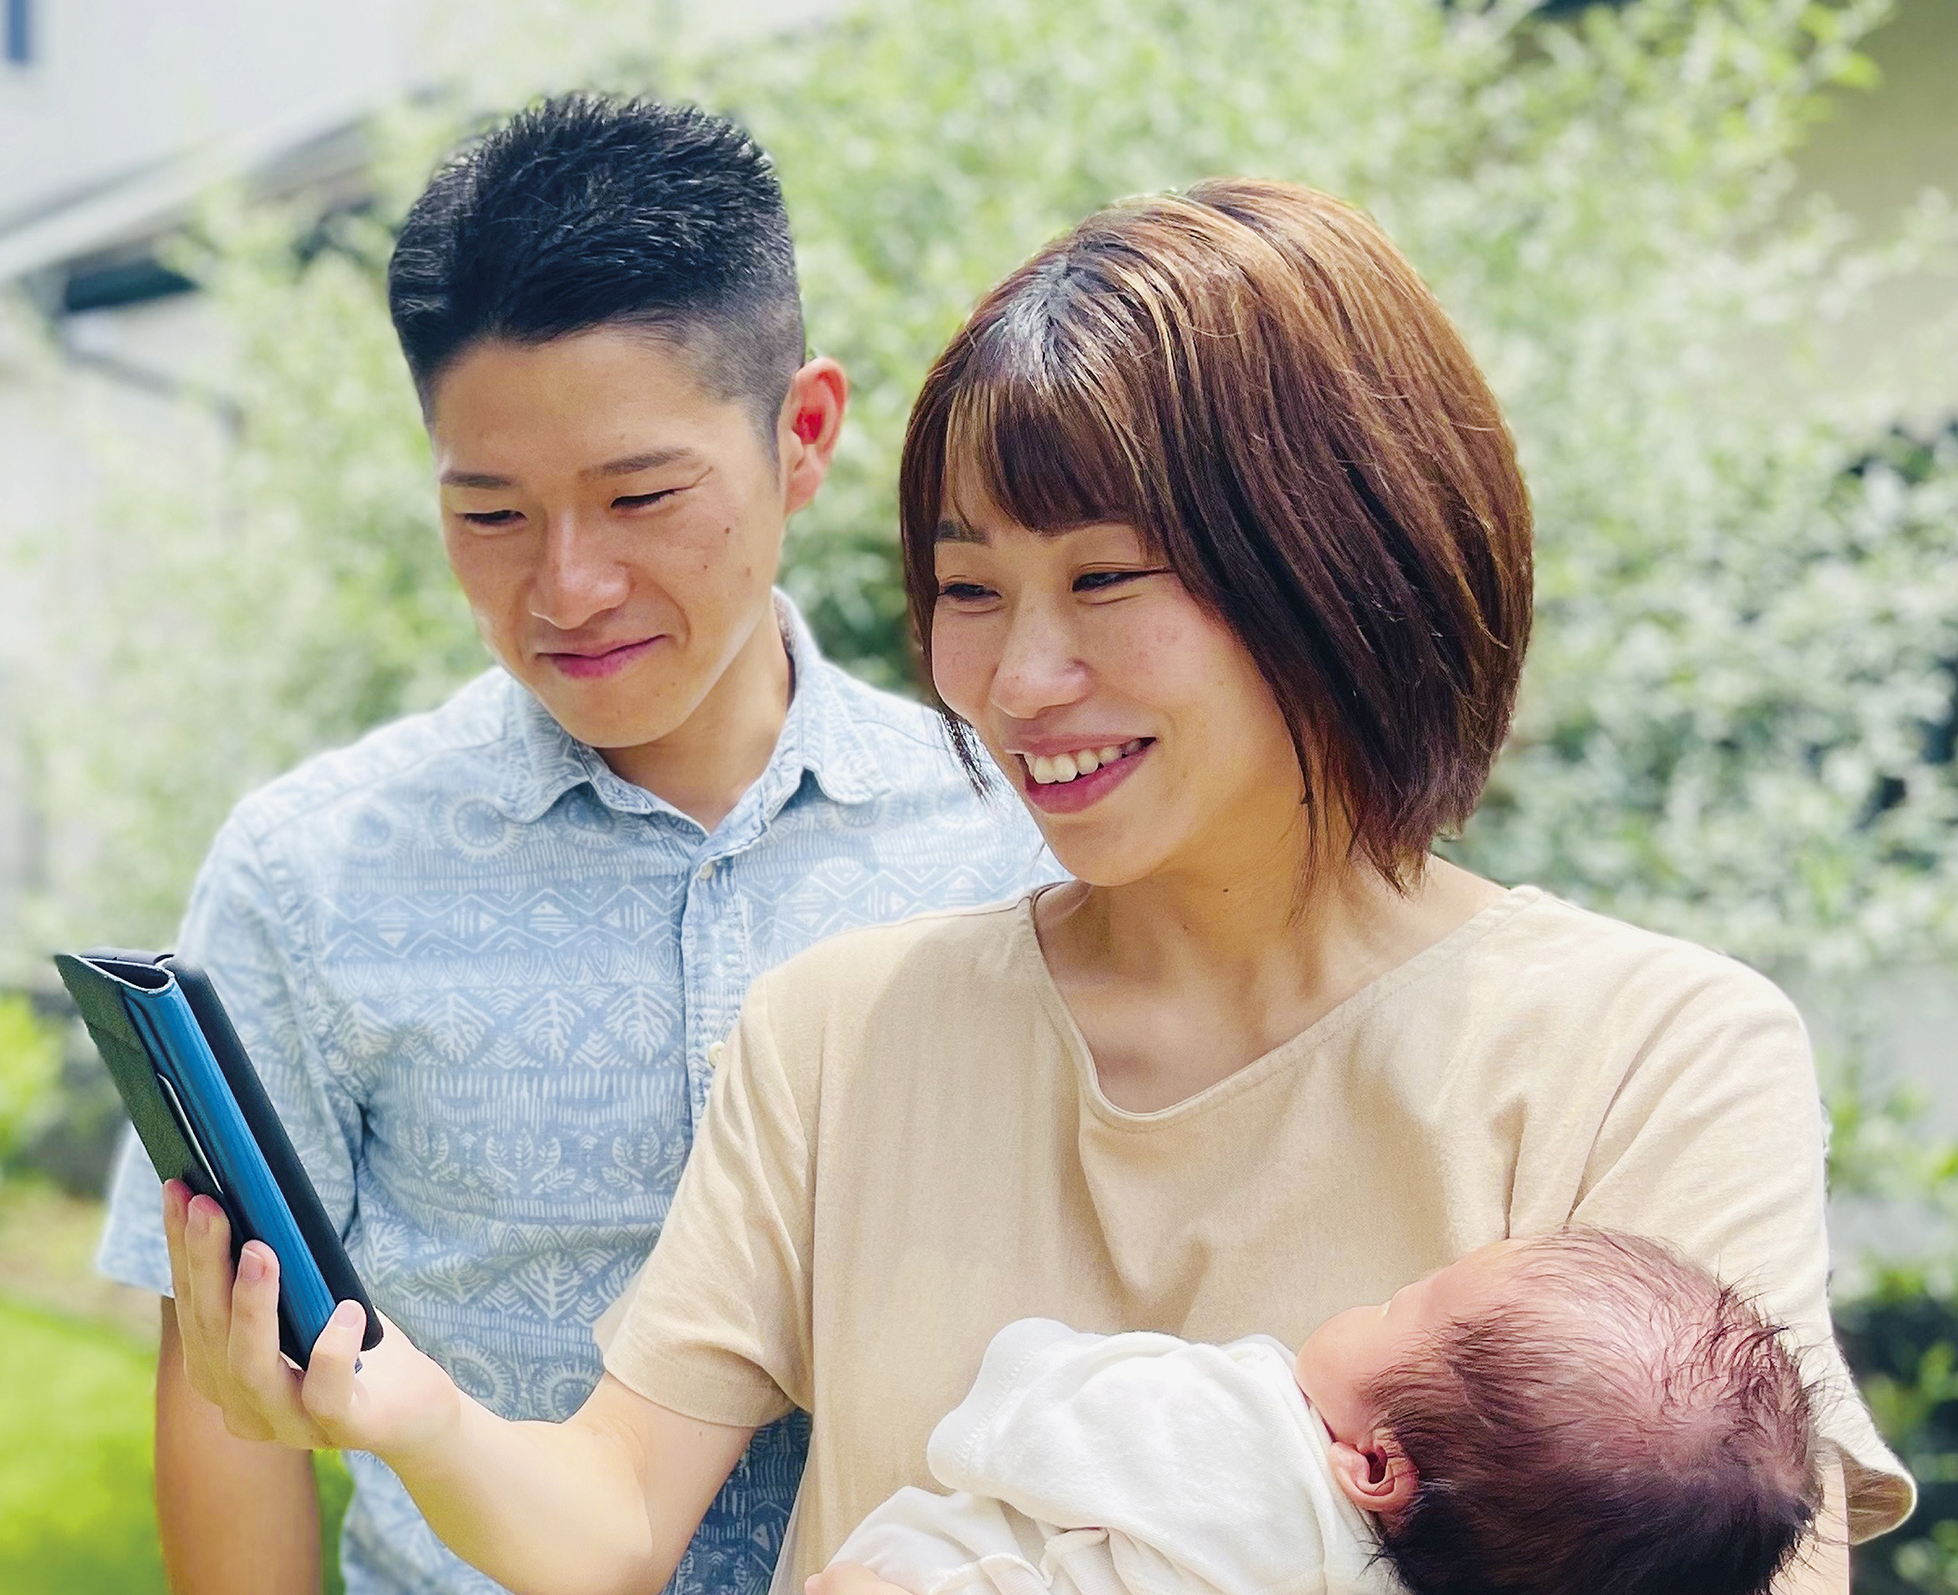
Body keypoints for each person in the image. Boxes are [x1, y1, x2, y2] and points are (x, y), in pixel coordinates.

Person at [153, 175, 1911, 1594]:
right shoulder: (843, 1027)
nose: (1012, 680)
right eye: (968, 588)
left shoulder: (1648, 1051)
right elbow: (609, 1519)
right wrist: (394, 1415)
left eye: (1104, 579)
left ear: (1337, 566)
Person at [88, 95, 1057, 1595]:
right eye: (490, 513)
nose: (570, 583)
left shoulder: (1011, 831)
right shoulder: (306, 871)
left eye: (640, 494)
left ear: (801, 436)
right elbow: (228, 1397)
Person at [826, 1229, 1822, 1595]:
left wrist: (1045, 1349)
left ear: (1375, 1466)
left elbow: (1011, 1414)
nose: (1378, 1296)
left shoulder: (1242, 1437)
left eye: (1403, 1304)